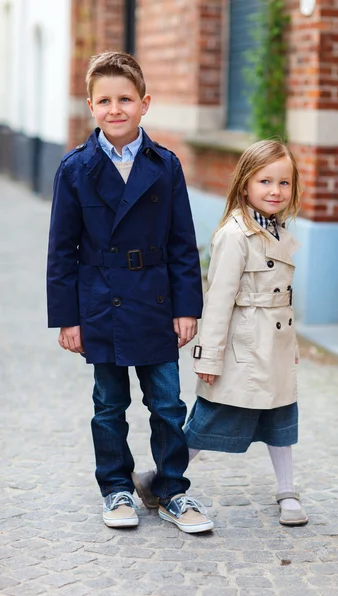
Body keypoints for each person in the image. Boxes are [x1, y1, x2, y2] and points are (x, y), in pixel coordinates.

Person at [46, 51, 214, 534]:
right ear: (90, 105)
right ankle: (116, 487)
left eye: (125, 99)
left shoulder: (165, 165)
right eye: (104, 100)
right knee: (108, 404)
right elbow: (62, 249)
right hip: (101, 303)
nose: (114, 109)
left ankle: (172, 491)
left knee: (167, 404)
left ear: (145, 103)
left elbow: (183, 243)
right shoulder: (74, 169)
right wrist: (68, 318)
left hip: (156, 302)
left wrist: (187, 307)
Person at [184, 139, 308, 526]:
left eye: (284, 183)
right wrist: (210, 355)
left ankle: (287, 491)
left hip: (276, 344)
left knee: (281, 416)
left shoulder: (278, 230)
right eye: (265, 181)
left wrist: (292, 347)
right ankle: (163, 478)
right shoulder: (235, 235)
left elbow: (283, 300)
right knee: (208, 419)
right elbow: (218, 299)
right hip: (244, 347)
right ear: (245, 185)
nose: (275, 191)